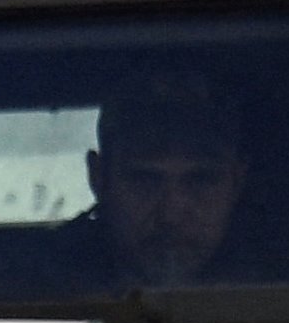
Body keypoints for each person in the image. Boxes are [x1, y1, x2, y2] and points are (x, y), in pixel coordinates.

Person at [86, 73, 253, 290]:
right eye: (144, 181)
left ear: (236, 181)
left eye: (200, 181)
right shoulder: (37, 287)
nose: (170, 215)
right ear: (98, 177)